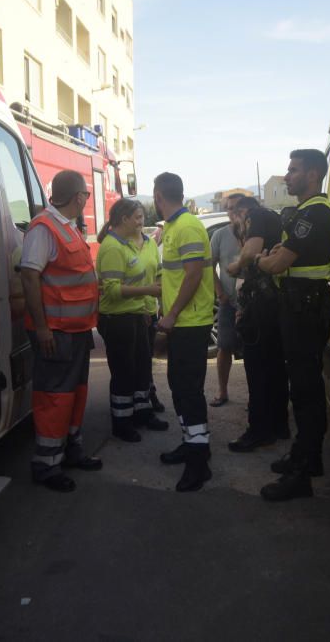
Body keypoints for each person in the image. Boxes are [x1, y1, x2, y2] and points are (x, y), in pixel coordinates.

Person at [255, 149, 330, 501]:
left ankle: (302, 475)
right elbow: (283, 256)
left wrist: (260, 260)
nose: (287, 176)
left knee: (305, 391)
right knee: (304, 386)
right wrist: (274, 256)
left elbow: (277, 264)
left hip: (303, 309)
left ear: (312, 175)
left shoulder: (314, 214)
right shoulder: (312, 212)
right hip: (304, 306)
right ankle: (309, 457)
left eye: (293, 170)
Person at [21, 170, 103, 493]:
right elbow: (30, 277)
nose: (86, 200)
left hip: (76, 330)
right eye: (86, 195)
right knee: (54, 396)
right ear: (79, 198)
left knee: (75, 393)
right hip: (55, 332)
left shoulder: (66, 227)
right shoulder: (44, 228)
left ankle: (70, 449)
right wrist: (42, 329)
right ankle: (47, 465)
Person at [153, 172, 215, 492]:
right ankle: (192, 444)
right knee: (179, 388)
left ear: (159, 196)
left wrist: (173, 313)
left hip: (190, 323)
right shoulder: (175, 227)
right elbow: (177, 277)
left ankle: (198, 463)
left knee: (189, 392)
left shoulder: (187, 226)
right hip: (182, 323)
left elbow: (192, 276)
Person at [95, 199, 168, 442]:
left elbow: (156, 273)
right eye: (137, 217)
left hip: (139, 314)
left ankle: (142, 413)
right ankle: (122, 421)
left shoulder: (147, 243)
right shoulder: (112, 247)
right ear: (123, 219)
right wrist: (148, 291)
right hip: (117, 319)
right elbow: (112, 291)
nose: (141, 222)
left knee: (142, 370)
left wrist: (150, 306)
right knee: (124, 373)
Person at [225, 196, 289, 451]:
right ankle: (279, 425)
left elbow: (251, 252)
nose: (231, 218)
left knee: (257, 368)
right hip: (275, 303)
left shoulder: (256, 217)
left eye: (232, 213)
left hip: (261, 306)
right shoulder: (273, 216)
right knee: (275, 367)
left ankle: (259, 431)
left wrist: (236, 265)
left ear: (243, 210)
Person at [208, 194, 244, 407]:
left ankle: (255, 396)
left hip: (252, 304)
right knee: (224, 347)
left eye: (237, 208)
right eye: (229, 209)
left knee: (254, 352)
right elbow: (210, 266)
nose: (233, 213)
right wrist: (220, 292)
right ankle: (222, 391)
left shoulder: (255, 233)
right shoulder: (220, 235)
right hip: (228, 302)